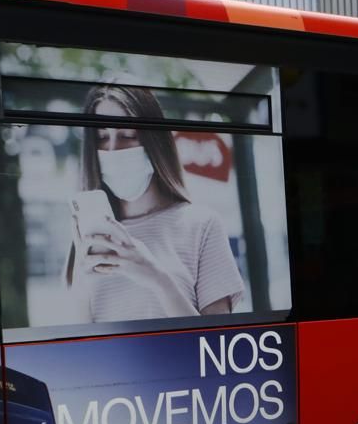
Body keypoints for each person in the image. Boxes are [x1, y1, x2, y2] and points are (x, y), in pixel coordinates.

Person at [69, 84, 244, 323]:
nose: (112, 150)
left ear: (155, 141)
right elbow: (78, 351)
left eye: (127, 135)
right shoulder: (88, 238)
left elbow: (217, 343)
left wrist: (156, 277)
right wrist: (80, 285)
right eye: (102, 138)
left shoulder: (202, 225)